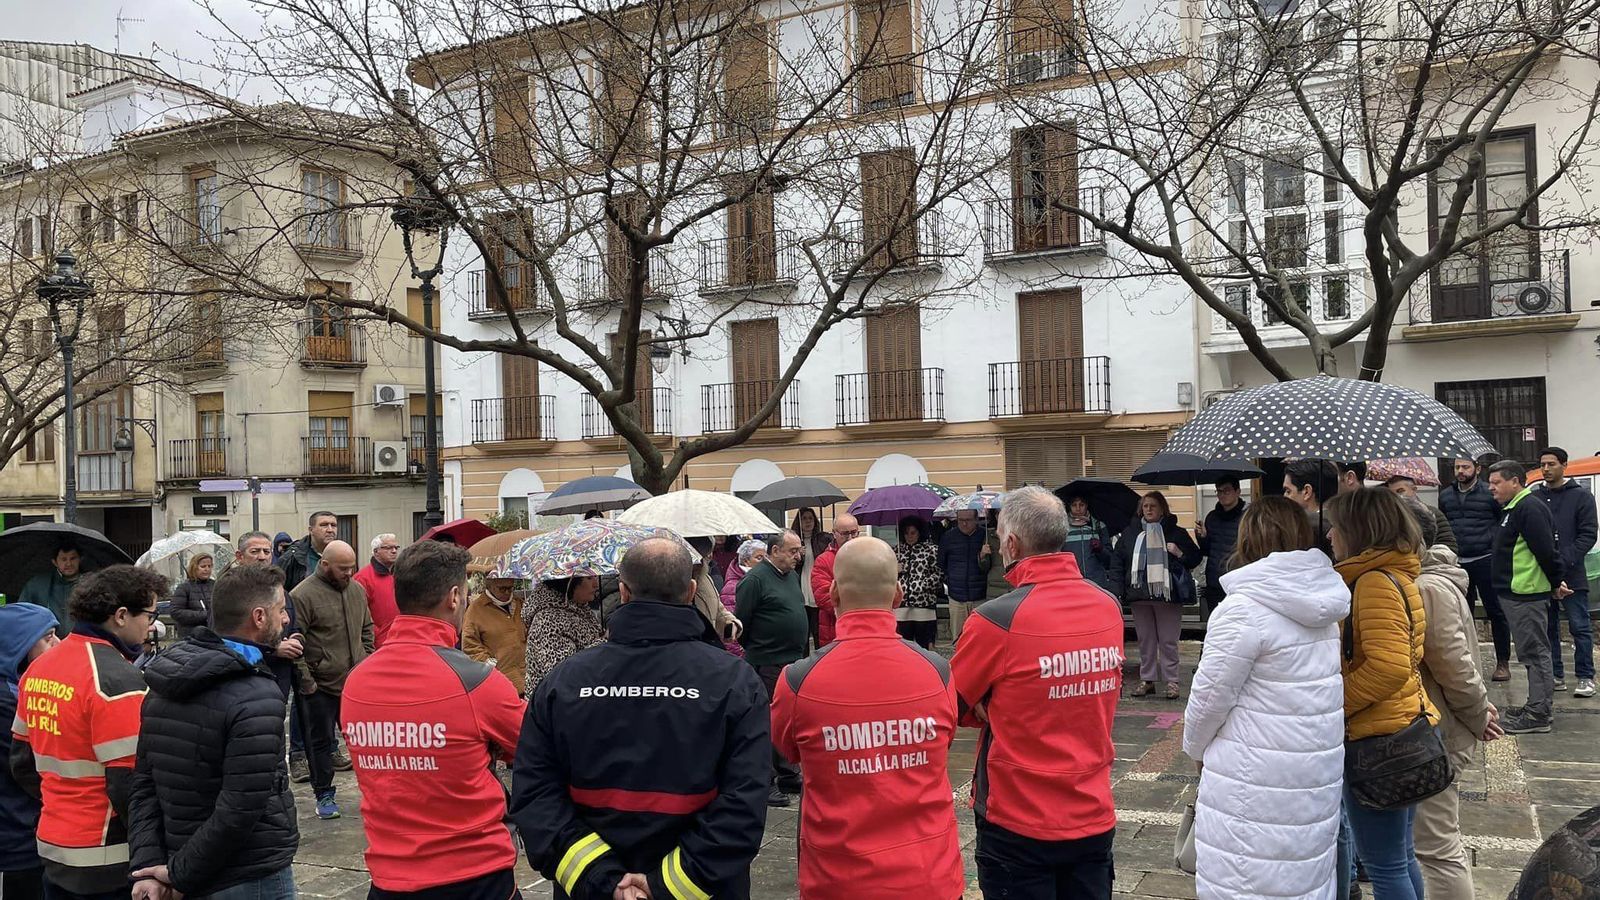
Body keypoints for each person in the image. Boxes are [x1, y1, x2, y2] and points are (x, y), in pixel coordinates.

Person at [511, 537, 769, 900]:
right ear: (692, 590)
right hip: (703, 890)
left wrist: (602, 878)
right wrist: (668, 884)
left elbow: (535, 795)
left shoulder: (564, 682)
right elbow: (745, 804)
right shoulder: (736, 682)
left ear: (623, 592)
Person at [950, 486, 1124, 898]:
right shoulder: (1108, 606)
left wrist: (991, 703)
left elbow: (952, 703)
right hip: (1092, 809)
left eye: (998, 536)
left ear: (1011, 543)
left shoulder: (996, 620)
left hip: (1017, 819)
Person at [769, 536, 962, 899]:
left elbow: (788, 751)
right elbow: (944, 740)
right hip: (928, 874)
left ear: (835, 594)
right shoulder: (939, 672)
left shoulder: (797, 680)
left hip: (838, 879)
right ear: (898, 595)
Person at [1182, 495, 1348, 899]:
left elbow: (1208, 702)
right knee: (1302, 873)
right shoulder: (1324, 604)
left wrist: (1195, 748)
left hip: (1252, 774)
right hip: (1312, 771)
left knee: (1247, 878)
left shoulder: (1243, 610)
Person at [343, 541, 527, 900]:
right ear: (455, 597)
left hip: (389, 877)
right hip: (475, 876)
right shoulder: (479, 683)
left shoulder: (356, 683)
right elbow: (535, 748)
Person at [127, 565, 298, 900]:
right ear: (259, 616)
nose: (286, 620)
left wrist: (150, 866)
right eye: (281, 611)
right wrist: (178, 875)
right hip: (247, 875)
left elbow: (143, 786)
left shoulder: (161, 683)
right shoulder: (257, 694)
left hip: (184, 866)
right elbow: (241, 807)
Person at [10, 565, 164, 900]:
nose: (150, 626)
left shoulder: (40, 667)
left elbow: (22, 761)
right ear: (121, 616)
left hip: (53, 843)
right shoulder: (118, 681)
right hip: (108, 857)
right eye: (149, 615)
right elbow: (130, 785)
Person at [1323, 487, 1439, 900]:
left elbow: (1388, 667)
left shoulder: (1372, 582)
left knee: (1385, 865)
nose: (1330, 536)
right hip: (1401, 729)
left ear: (1359, 531)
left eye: (1336, 527)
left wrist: (1336, 703)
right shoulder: (1394, 575)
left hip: (1379, 741)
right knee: (1401, 857)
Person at [1400, 496, 1498, 900]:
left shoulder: (1426, 586)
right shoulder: (1436, 578)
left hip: (1438, 732)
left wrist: (1477, 712)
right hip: (1438, 728)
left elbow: (1453, 664)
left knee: (1437, 847)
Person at [289, 540, 373, 820]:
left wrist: (367, 661)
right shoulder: (302, 595)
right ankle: (323, 793)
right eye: (342, 569)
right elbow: (294, 642)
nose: (349, 574)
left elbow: (367, 628)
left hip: (356, 684)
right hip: (320, 686)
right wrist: (307, 681)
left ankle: (373, 792)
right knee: (320, 743)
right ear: (324, 565)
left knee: (364, 741)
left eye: (352, 568)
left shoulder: (357, 590)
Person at [1487, 459, 1572, 735]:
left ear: (1515, 481)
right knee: (1531, 652)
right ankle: (1536, 705)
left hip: (1526, 594)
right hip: (1516, 593)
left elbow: (1546, 550)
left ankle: (1539, 713)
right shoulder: (1513, 508)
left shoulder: (1529, 508)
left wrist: (1555, 579)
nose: (1491, 488)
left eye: (1496, 482)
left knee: (1535, 653)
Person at [734, 529, 808, 807]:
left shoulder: (789, 576)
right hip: (766, 661)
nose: (798, 556)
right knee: (766, 722)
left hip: (791, 660)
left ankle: (789, 772)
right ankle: (765, 781)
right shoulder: (754, 580)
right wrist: (761, 647)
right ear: (774, 551)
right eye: (792, 551)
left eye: (799, 551)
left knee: (789, 720)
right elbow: (742, 622)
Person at [1112, 491, 1202, 700]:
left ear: (1163, 509)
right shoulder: (1130, 533)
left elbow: (1194, 558)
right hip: (1139, 595)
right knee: (1146, 640)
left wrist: (1179, 553)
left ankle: (1172, 681)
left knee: (1168, 640)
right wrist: (1117, 589)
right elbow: (1118, 561)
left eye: (1153, 506)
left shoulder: (1176, 532)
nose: (1149, 509)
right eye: (1145, 506)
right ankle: (1148, 680)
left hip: (1167, 595)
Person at [1, 604, 59, 900]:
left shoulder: (17, 690)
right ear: (17, 646)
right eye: (48, 637)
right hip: (15, 842)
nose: (58, 644)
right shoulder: (8, 703)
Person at [1439, 457, 1509, 681]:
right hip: (1459, 562)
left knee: (1496, 611)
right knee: (1461, 613)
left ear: (1477, 469)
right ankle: (1467, 661)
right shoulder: (1446, 496)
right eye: (1457, 467)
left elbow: (1502, 521)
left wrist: (1494, 543)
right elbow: (1445, 524)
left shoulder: (1489, 493)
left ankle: (1503, 662)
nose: (1460, 471)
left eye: (1465, 467)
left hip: (1486, 559)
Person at [1535, 446, 1598, 698]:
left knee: (1579, 626)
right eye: (1543, 464)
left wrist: (1564, 561)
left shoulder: (1581, 497)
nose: (1546, 469)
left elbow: (1588, 534)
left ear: (1564, 465)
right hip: (1542, 575)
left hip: (1573, 573)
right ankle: (1555, 674)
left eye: (1551, 464)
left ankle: (1585, 676)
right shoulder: (1536, 497)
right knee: (1547, 627)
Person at [522, 576, 603, 694]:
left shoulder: (578, 609)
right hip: (555, 705)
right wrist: (604, 643)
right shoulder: (548, 621)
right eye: (589, 578)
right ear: (569, 582)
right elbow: (563, 673)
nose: (596, 584)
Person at [462, 575, 528, 693]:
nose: (507, 592)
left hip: (527, 680)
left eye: (510, 588)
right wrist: (491, 665)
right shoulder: (475, 610)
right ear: (490, 586)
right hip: (501, 684)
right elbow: (470, 647)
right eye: (502, 589)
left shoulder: (520, 604)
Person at [938, 509, 992, 641]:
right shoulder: (948, 537)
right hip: (956, 596)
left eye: (967, 520)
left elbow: (991, 566)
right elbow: (941, 563)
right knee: (958, 638)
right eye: (960, 520)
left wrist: (983, 556)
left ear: (976, 520)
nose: (964, 524)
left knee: (981, 638)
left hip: (980, 596)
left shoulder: (984, 536)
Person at [1194, 479, 1247, 612]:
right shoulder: (1212, 517)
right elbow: (1207, 550)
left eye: (1227, 490)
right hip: (1215, 581)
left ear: (1238, 492)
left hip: (1239, 580)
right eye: (1219, 491)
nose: (1222, 494)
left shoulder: (1247, 517)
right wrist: (1202, 537)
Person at [809, 514, 861, 646]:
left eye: (854, 533)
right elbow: (823, 597)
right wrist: (859, 609)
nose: (850, 538)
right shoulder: (824, 560)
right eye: (844, 533)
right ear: (834, 534)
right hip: (834, 630)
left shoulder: (867, 555)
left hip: (863, 628)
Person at [892, 516, 943, 649]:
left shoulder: (931, 550)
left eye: (913, 532)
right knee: (903, 648)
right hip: (901, 608)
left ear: (919, 532)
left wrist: (922, 585)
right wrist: (894, 571)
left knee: (923, 648)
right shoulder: (895, 551)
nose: (909, 536)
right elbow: (886, 578)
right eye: (906, 533)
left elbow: (938, 574)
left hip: (924, 607)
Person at [18, 543, 82, 637]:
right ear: (55, 562)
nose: (68, 563)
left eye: (73, 558)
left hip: (81, 643)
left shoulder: (90, 584)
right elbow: (22, 614)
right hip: (47, 643)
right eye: (64, 559)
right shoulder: (37, 584)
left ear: (80, 559)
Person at [686, 538, 741, 646]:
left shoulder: (705, 579)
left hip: (707, 649)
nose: (710, 557)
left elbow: (718, 608)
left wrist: (729, 623)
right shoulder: (672, 581)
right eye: (704, 555)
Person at [1284, 458, 1342, 556]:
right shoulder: (1345, 523)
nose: (1284, 496)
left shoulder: (1302, 529)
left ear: (1307, 491)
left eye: (1288, 491)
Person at [1384, 477, 1458, 553]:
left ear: (1414, 489)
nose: (1397, 497)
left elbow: (1450, 547)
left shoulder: (1433, 513)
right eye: (1393, 494)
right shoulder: (1390, 517)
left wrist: (1424, 556)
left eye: (1400, 491)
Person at [719, 540, 767, 657]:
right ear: (746, 561)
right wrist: (739, 656)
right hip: (745, 654)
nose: (764, 562)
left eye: (766, 557)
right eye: (759, 557)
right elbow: (730, 628)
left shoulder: (761, 580)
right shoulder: (732, 588)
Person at [354, 534, 402, 648]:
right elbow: (358, 614)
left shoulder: (401, 574)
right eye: (388, 548)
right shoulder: (362, 578)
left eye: (396, 547)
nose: (394, 551)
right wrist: (377, 636)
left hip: (401, 640)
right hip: (379, 644)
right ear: (376, 552)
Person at [1060, 497, 1115, 594]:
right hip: (1070, 584)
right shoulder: (1061, 528)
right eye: (1074, 505)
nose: (1078, 508)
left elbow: (1110, 560)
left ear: (1087, 506)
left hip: (1097, 584)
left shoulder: (1098, 526)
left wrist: (1100, 549)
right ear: (1069, 507)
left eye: (1081, 505)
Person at [793, 508, 830, 652]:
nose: (808, 521)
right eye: (804, 518)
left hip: (816, 586)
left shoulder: (823, 539)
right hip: (801, 586)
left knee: (818, 630)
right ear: (799, 522)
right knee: (803, 632)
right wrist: (797, 555)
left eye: (810, 518)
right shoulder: (795, 541)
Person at [278, 512, 340, 592]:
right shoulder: (292, 557)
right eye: (324, 525)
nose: (330, 530)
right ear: (311, 530)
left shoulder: (342, 553)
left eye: (333, 525)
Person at [168, 553, 215, 639]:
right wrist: (204, 615)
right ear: (195, 567)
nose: (207, 569)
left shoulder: (215, 585)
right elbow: (176, 612)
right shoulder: (184, 587)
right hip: (191, 636)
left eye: (209, 566)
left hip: (212, 634)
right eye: (203, 566)